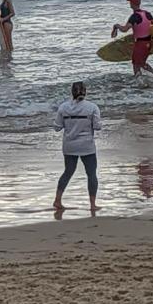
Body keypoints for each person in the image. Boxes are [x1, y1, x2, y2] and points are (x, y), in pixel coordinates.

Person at [52, 82, 101, 217]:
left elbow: (57, 127)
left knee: (68, 172)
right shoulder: (92, 107)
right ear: (85, 92)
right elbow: (97, 127)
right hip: (87, 145)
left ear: (72, 92)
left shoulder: (63, 107)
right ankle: (92, 204)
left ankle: (57, 200)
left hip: (69, 145)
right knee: (91, 174)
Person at [112, 0, 153, 80]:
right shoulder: (147, 14)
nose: (129, 3)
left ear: (132, 4)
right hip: (149, 42)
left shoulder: (134, 16)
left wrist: (117, 26)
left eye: (130, 2)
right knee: (141, 63)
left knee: (136, 64)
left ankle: (141, 81)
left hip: (140, 43)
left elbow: (125, 29)